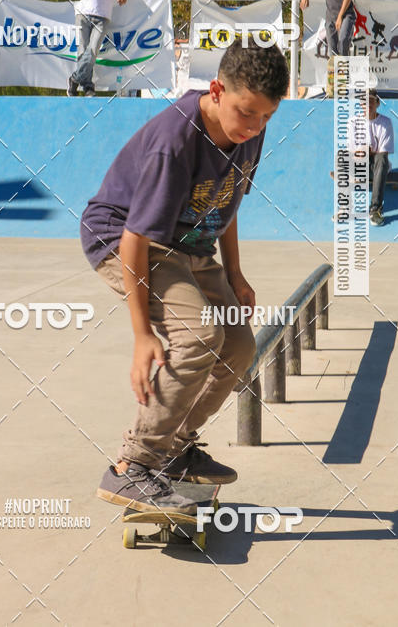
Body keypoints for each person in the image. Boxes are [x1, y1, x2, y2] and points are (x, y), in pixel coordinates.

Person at [80, 38, 289, 512]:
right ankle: (132, 467)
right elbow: (135, 238)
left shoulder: (249, 131)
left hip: (191, 244)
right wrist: (141, 334)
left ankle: (173, 449)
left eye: (266, 117)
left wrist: (235, 274)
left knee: (237, 346)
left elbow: (228, 199)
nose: (254, 126)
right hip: (126, 240)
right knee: (198, 337)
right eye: (246, 112)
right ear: (216, 90)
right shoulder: (174, 143)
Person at [367, 91, 394, 226]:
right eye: (364, 101)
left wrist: (368, 151)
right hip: (361, 166)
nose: (368, 104)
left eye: (371, 101)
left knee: (381, 157)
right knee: (341, 157)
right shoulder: (353, 122)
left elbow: (383, 152)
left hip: (379, 167)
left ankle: (375, 209)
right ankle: (344, 207)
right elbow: (353, 150)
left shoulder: (385, 123)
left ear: (377, 103)